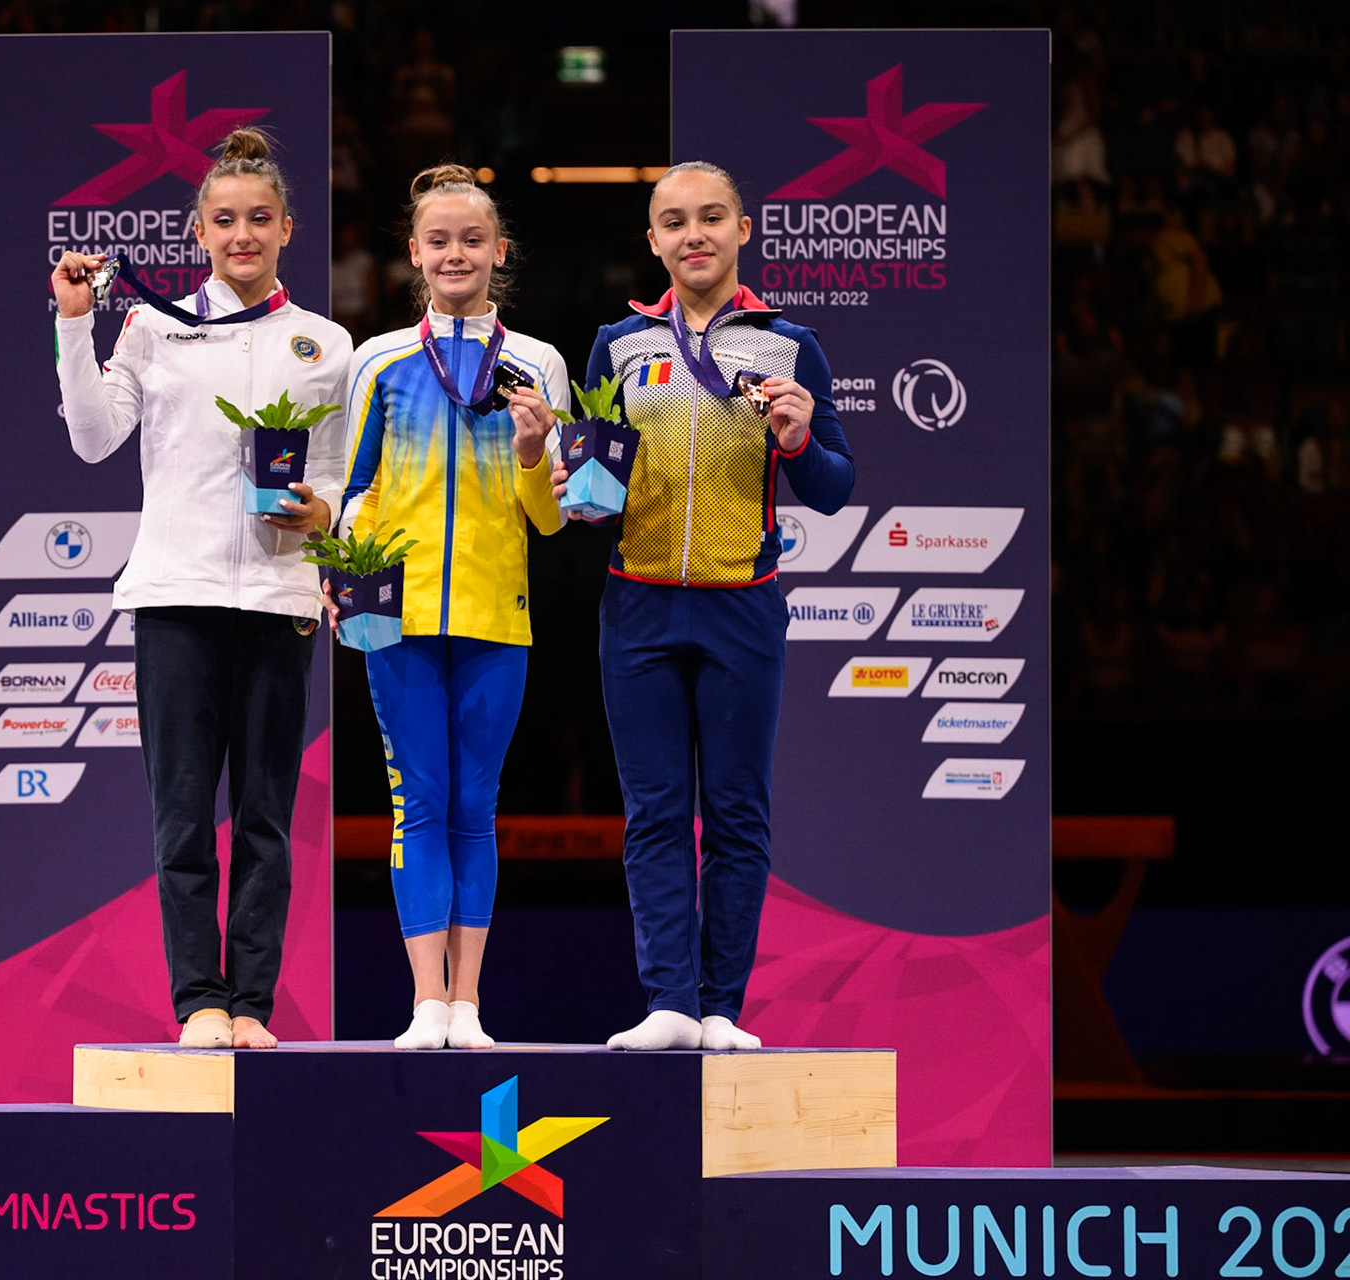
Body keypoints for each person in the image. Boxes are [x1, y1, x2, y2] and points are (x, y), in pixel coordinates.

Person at [52, 129, 352, 1051]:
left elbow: (340, 478)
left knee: (265, 816)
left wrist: (322, 512)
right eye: (225, 220)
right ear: (199, 233)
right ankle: (199, 1003)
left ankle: (253, 1006)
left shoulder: (325, 344)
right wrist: (75, 324)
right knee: (182, 814)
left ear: (287, 229)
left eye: (259, 219)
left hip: (277, 600)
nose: (243, 234)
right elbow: (93, 439)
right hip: (176, 596)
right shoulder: (152, 327)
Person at [559, 161, 855, 1051]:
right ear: (653, 241)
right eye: (675, 221)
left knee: (734, 815)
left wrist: (800, 441)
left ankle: (722, 1008)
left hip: (743, 606)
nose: (694, 235)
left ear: (742, 230)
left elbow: (836, 487)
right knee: (654, 813)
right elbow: (593, 475)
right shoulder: (617, 344)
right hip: (638, 606)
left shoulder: (789, 345)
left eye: (712, 218)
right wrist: (577, 480)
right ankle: (668, 1006)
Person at [337, 164, 567, 1050]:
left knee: (477, 803)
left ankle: (467, 1004)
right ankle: (423, 1002)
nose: (455, 253)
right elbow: (354, 488)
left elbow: (550, 517)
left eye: (473, 239)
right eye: (439, 240)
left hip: (495, 614)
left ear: (498, 251)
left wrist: (532, 448)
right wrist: (344, 571)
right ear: (414, 255)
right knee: (418, 804)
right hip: (393, 617)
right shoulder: (382, 361)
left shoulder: (537, 364)